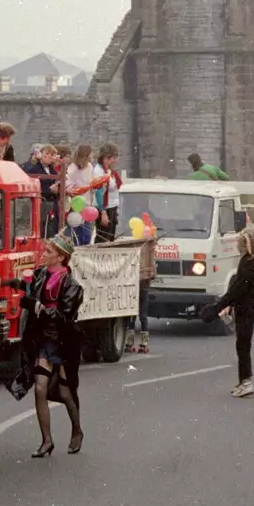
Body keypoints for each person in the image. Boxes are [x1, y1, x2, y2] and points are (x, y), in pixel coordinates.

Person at [13, 234, 86, 457]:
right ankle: (47, 440)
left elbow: (64, 317)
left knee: (65, 392)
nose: (43, 255)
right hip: (42, 340)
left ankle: (77, 430)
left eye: (48, 252)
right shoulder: (41, 274)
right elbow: (30, 296)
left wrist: (39, 308)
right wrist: (23, 294)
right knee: (40, 387)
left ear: (61, 257)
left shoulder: (72, 285)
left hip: (62, 343)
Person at [202, 229, 254, 398]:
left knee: (243, 345)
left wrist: (218, 307)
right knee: (241, 344)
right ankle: (243, 380)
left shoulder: (250, 262)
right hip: (245, 307)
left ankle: (246, 382)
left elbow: (238, 288)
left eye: (239, 241)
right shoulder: (247, 260)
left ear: (245, 243)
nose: (236, 244)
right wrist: (226, 305)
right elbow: (236, 285)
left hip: (248, 308)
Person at [63, 144, 102, 246]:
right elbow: (67, 182)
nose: (92, 155)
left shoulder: (89, 166)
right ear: (85, 155)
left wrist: (96, 184)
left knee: (87, 236)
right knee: (78, 235)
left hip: (87, 204)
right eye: (91, 153)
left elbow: (91, 181)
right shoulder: (73, 167)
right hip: (77, 204)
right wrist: (73, 190)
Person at [23, 144, 61, 238]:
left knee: (52, 230)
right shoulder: (34, 169)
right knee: (43, 230)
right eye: (47, 154)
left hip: (52, 204)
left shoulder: (52, 169)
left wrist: (58, 187)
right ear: (41, 155)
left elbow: (57, 180)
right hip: (42, 203)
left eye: (51, 155)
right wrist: (49, 189)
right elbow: (32, 186)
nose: (49, 156)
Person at [130, 226, 155, 354]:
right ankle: (135, 342)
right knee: (137, 315)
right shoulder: (143, 250)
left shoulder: (148, 252)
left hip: (141, 286)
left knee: (139, 315)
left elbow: (152, 272)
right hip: (139, 286)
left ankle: (141, 342)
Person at [94, 142, 124, 239]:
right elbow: (99, 192)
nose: (115, 160)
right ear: (105, 158)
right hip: (105, 208)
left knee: (110, 238)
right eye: (113, 158)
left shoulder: (109, 170)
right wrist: (103, 213)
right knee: (103, 238)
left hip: (112, 207)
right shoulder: (99, 171)